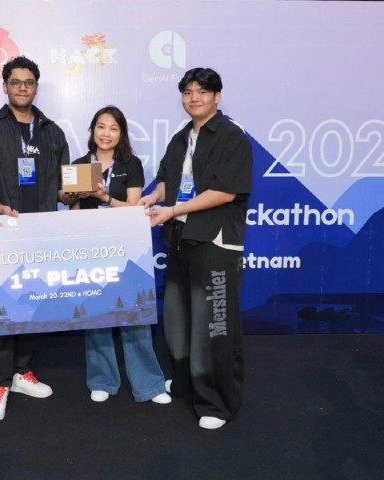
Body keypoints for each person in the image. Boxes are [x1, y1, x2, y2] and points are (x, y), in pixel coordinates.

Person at [139, 68, 253, 430]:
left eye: (202, 91)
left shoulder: (232, 137)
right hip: (179, 239)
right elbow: (166, 180)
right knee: (178, 321)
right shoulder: (181, 138)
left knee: (212, 326)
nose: (194, 98)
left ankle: (216, 403)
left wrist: (172, 210)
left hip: (214, 241)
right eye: (188, 92)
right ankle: (187, 384)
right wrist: (153, 197)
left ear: (217, 96)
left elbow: (226, 192)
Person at [0, 56, 70, 421]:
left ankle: (20, 372)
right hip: (1, 232)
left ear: (36, 87)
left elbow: (63, 188)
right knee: (2, 309)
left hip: (41, 232)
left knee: (33, 305)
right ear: (5, 86)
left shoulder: (52, 132)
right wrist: (0, 209)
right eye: (15, 82)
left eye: (29, 82)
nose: (22, 87)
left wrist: (75, 193)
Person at [63, 106, 171, 405]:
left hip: (126, 247)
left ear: (121, 133)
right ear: (92, 130)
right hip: (89, 248)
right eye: (101, 126)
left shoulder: (130, 164)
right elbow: (71, 208)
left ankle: (149, 384)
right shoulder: (79, 164)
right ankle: (102, 379)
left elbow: (135, 208)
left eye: (113, 128)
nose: (106, 133)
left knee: (135, 313)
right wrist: (71, 196)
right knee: (95, 312)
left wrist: (104, 197)